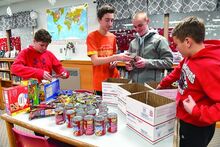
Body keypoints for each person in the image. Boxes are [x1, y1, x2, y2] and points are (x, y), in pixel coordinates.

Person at [157, 16, 220, 147]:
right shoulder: (191, 55)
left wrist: (196, 111)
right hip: (185, 118)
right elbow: (179, 69)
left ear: (187, 42)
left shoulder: (210, 66)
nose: (176, 48)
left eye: (176, 44)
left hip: (197, 126)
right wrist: (163, 84)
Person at [86, 4, 132, 95]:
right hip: (100, 83)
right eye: (107, 20)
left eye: (112, 20)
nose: (110, 24)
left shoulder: (113, 37)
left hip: (114, 80)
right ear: (99, 20)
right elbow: (95, 61)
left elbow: (112, 58)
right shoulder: (92, 37)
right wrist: (115, 58)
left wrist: (114, 63)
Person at [125, 11, 173, 83]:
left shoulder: (160, 40)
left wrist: (147, 63)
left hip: (151, 85)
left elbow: (168, 62)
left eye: (140, 25)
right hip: (134, 85)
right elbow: (130, 61)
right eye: (135, 27)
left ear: (147, 21)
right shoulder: (133, 43)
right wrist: (129, 65)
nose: (137, 29)